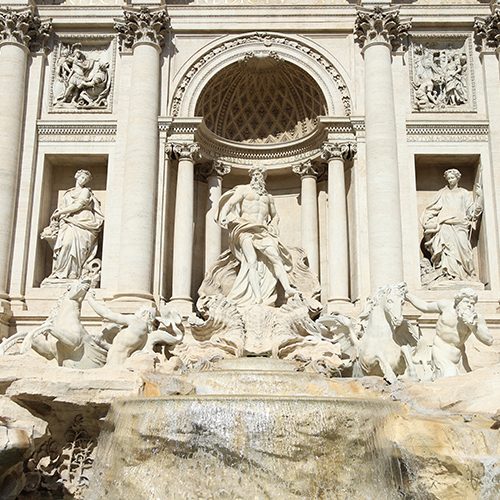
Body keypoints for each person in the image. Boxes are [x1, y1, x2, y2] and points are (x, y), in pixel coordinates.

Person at [216, 166, 297, 306]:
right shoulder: (243, 190)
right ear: (251, 176)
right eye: (255, 174)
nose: (257, 177)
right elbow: (230, 203)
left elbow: (275, 216)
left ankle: (287, 288)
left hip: (263, 230)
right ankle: (257, 297)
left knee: (276, 258)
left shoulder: (268, 197)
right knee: (251, 261)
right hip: (245, 228)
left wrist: (274, 225)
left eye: (260, 175)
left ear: (264, 178)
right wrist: (223, 215)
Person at [406, 288, 493, 378]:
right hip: (440, 351)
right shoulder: (445, 306)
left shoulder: (476, 318)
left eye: (472, 303)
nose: (469, 306)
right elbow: (425, 306)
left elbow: (489, 340)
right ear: (458, 301)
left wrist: (473, 327)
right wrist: (408, 296)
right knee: (449, 376)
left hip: (459, 355)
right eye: (466, 302)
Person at [41, 169, 104, 281]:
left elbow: (78, 205)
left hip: (84, 221)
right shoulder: (68, 193)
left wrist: (60, 212)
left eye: (86, 179)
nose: (83, 180)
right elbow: (62, 206)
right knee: (66, 244)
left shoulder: (86, 191)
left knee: (79, 248)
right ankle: (61, 272)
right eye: (82, 177)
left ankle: (74, 273)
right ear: (76, 176)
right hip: (68, 222)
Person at [421, 168, 482, 282]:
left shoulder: (463, 193)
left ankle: (466, 274)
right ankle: (448, 275)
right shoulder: (442, 193)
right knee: (447, 251)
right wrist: (428, 219)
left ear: (458, 178)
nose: (450, 180)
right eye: (448, 178)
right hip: (445, 226)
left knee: (464, 250)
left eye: (452, 177)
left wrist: (480, 197)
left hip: (460, 226)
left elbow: (472, 212)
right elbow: (432, 209)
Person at [86, 292, 156, 367]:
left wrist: (90, 300)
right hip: (116, 364)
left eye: (138, 311)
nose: (136, 313)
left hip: (114, 366)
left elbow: (107, 314)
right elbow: (120, 348)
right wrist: (101, 343)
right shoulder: (144, 335)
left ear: (144, 314)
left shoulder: (136, 321)